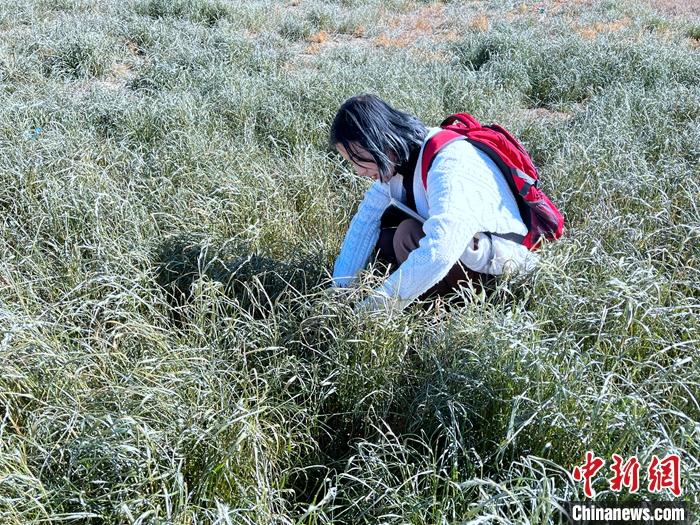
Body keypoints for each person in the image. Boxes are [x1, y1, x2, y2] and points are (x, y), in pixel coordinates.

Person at [329, 94, 537, 312]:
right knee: (385, 239)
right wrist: (338, 294)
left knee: (407, 235)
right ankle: (422, 298)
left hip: (500, 271)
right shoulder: (395, 162)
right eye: (351, 162)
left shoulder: (449, 161)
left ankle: (444, 314)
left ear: (381, 141)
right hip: (468, 256)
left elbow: (441, 252)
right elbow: (364, 223)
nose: (358, 171)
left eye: (359, 159)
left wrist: (371, 310)